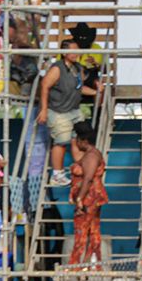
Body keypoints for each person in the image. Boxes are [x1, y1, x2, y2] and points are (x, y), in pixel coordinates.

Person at [37, 40, 98, 187]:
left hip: (74, 110)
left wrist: (97, 91)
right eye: (73, 50)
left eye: (77, 50)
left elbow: (79, 88)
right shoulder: (57, 68)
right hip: (58, 111)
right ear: (64, 53)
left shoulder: (78, 68)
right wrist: (44, 110)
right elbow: (44, 85)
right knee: (61, 141)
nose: (76, 53)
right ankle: (57, 174)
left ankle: (82, 168)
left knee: (80, 138)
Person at [68, 122, 107, 265]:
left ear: (84, 141)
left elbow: (88, 178)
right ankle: (89, 263)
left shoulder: (91, 155)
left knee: (82, 231)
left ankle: (77, 265)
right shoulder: (89, 154)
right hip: (91, 197)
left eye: (77, 139)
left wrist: (79, 198)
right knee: (92, 230)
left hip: (89, 198)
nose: (76, 142)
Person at [68, 22, 102, 102]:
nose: (83, 40)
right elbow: (60, 65)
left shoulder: (96, 48)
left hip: (90, 76)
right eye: (80, 37)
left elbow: (104, 68)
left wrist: (95, 63)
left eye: (86, 38)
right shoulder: (68, 47)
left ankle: (98, 111)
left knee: (99, 86)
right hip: (71, 75)